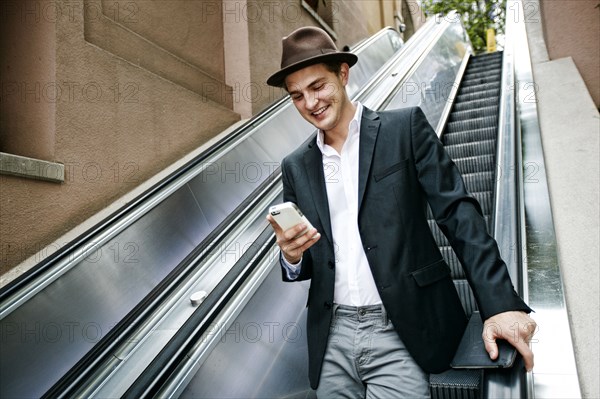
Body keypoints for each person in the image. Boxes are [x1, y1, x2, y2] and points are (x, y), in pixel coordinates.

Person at [265, 26, 536, 398]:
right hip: (331, 338)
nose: (310, 103)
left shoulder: (403, 128)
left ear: (343, 75)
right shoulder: (296, 165)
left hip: (402, 328)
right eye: (297, 96)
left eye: (318, 86)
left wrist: (500, 304)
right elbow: (310, 263)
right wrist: (292, 257)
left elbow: (459, 214)